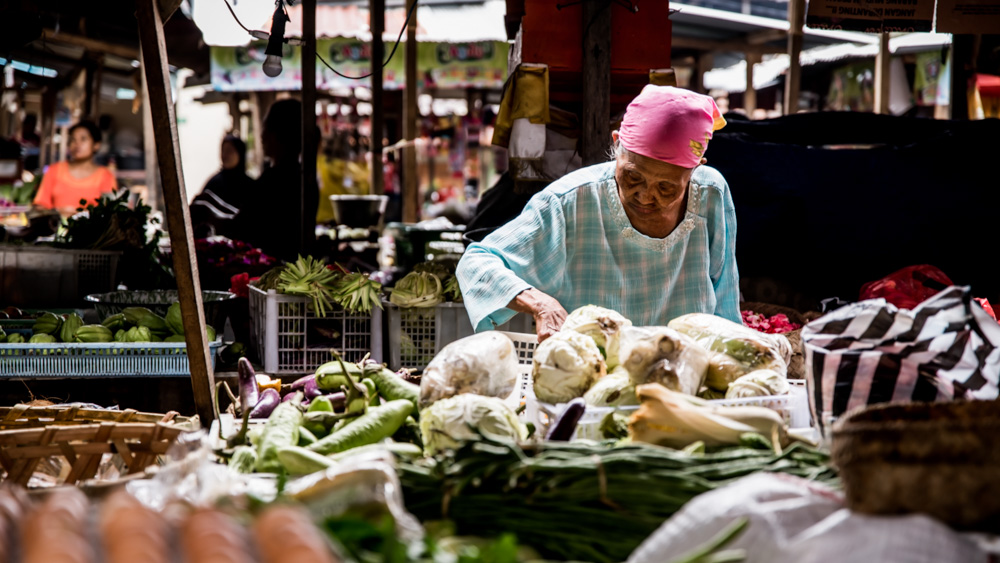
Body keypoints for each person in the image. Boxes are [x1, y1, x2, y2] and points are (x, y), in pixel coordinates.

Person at [456, 85, 740, 341]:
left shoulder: (711, 193)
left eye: (666, 188)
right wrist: (540, 303)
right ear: (616, 144)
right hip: (596, 371)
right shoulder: (569, 201)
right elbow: (477, 263)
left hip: (686, 369)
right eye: (633, 176)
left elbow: (725, 298)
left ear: (696, 168)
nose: (645, 196)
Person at [237, 99, 319, 261]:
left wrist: (211, 213)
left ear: (278, 135)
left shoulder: (276, 179)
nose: (262, 135)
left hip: (276, 268)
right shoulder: (302, 176)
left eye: (266, 128)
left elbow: (242, 225)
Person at [32, 120, 117, 216]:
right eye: (73, 140)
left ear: (96, 145)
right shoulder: (54, 170)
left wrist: (79, 214)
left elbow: (109, 211)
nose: (77, 144)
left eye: (83, 139)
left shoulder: (105, 176)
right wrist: (58, 212)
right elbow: (40, 205)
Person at [191, 135, 253, 239]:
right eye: (223, 151)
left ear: (240, 153)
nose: (225, 155)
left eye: (229, 151)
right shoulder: (214, 182)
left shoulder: (250, 185)